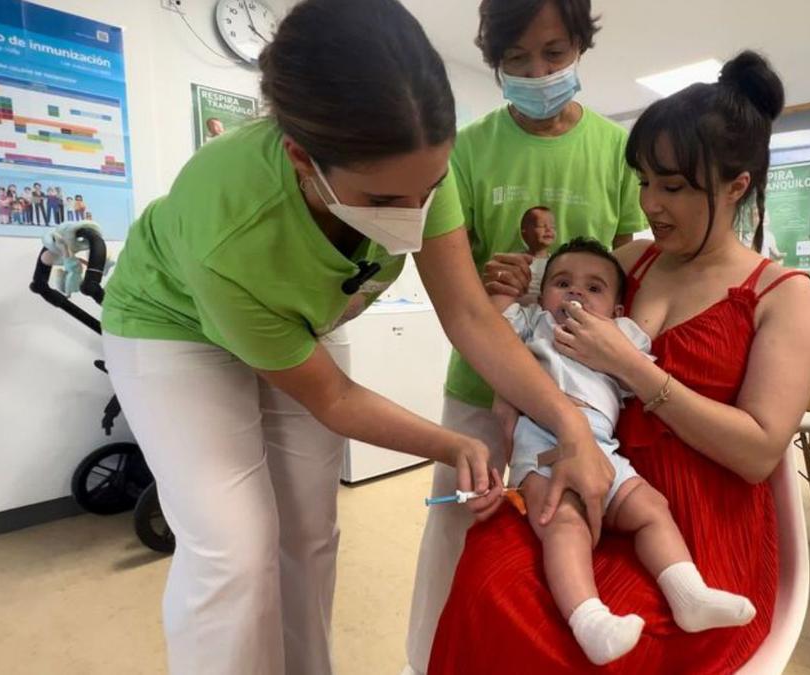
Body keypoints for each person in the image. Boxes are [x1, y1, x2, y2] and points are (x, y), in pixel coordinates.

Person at [99, 1, 609, 673]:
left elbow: (471, 317)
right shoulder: (230, 224)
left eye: (425, 192)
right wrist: (453, 442)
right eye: (381, 200)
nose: (411, 215)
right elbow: (334, 398)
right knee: (235, 547)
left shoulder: (419, 162)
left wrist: (570, 425)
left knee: (310, 532)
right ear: (301, 158)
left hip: (299, 321)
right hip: (172, 326)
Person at [429, 50, 810, 673]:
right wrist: (506, 284)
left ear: (736, 185)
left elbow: (757, 453)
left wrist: (637, 368)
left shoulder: (782, 294)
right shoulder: (632, 260)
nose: (651, 204)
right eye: (643, 182)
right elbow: (534, 325)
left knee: (570, 649)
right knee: (487, 583)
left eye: (672, 187)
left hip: (693, 523)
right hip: (582, 468)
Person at [404, 2, 646, 669]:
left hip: (582, 388)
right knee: (456, 526)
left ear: (580, 48)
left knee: (570, 527)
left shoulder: (615, 150)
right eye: (517, 60)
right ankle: (427, 661)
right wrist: (489, 282)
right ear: (495, 62)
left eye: (554, 54)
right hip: (485, 381)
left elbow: (626, 268)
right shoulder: (468, 151)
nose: (538, 73)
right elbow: (456, 288)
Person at [494, 237, 756, 665]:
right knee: (565, 522)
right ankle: (590, 619)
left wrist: (619, 353)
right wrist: (509, 285)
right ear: (543, 297)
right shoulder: (534, 323)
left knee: (652, 508)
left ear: (617, 310)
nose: (576, 292)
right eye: (563, 283)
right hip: (544, 448)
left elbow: (644, 374)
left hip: (604, 451)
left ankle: (689, 595)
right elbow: (492, 329)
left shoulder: (622, 336)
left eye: (594, 288)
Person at [517, 205, 555, 305]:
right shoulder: (518, 262)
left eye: (552, 227)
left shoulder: (556, 263)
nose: (548, 230)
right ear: (525, 232)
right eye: (541, 226)